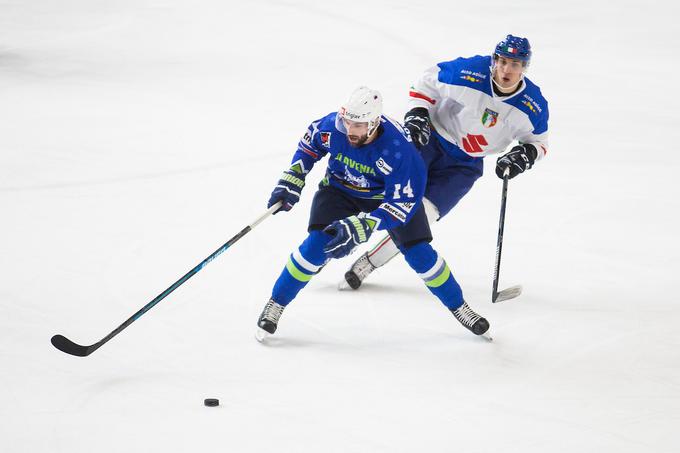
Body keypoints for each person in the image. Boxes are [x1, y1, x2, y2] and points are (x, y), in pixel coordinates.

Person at [256, 87, 490, 341]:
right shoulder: (332, 127)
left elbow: (401, 204)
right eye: (346, 122)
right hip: (341, 191)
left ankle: (459, 306)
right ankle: (275, 303)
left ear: (374, 123)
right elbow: (310, 145)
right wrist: (294, 176)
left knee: (420, 255)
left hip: (386, 201)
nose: (349, 130)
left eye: (357, 125)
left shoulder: (400, 150)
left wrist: (364, 224)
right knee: (315, 247)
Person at [342, 35, 549, 290]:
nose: (507, 70)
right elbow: (425, 83)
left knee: (422, 216)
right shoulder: (469, 71)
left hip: (464, 166)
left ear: (525, 67)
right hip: (431, 142)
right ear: (494, 59)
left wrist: (523, 156)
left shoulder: (533, 104)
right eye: (503, 61)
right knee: (384, 194)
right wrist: (418, 112)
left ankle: (369, 263)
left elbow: (539, 142)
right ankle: (335, 240)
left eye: (515, 64)